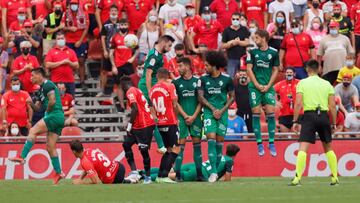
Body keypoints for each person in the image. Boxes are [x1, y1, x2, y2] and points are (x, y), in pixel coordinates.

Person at [9, 68, 65, 185]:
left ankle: (22, 156)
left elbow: (52, 101)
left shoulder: (48, 84)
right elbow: (38, 108)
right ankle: (59, 173)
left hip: (54, 115)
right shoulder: (40, 91)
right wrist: (30, 103)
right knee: (50, 147)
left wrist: (48, 112)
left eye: (33, 75)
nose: (31, 78)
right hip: (58, 118)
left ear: (40, 75)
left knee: (33, 131)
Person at [290, 59, 339, 186]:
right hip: (323, 116)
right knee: (328, 147)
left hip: (309, 116)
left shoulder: (302, 83)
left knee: (303, 147)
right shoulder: (327, 84)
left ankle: (297, 178)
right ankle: (334, 177)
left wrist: (295, 120)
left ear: (307, 69)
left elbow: (298, 103)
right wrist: (333, 123)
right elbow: (332, 106)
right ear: (319, 69)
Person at [198, 51, 235, 182]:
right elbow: (200, 97)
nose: (205, 67)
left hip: (223, 113)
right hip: (209, 113)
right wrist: (214, 109)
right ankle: (213, 172)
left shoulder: (227, 79)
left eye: (207, 65)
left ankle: (216, 171)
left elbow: (232, 97)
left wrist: (222, 110)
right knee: (211, 138)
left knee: (219, 143)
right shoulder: (203, 79)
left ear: (214, 66)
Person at [247, 29, 279, 157]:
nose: (255, 40)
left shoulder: (274, 52)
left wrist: (269, 85)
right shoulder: (252, 52)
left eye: (257, 38)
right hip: (255, 87)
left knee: (271, 112)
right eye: (254, 38)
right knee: (256, 111)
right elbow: (249, 69)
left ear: (264, 38)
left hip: (268, 86)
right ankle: (259, 143)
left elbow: (276, 70)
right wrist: (257, 85)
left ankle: (271, 142)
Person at [118, 76, 156, 184]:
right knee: (126, 144)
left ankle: (148, 177)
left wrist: (129, 125)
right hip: (139, 125)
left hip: (145, 125)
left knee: (143, 151)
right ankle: (134, 172)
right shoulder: (136, 90)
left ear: (123, 85)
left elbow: (135, 108)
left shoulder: (130, 91)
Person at [172, 57, 204, 182]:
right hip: (182, 119)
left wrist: (194, 116)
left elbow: (201, 101)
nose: (178, 69)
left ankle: (200, 174)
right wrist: (185, 116)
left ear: (187, 66)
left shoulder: (198, 81)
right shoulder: (175, 83)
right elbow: (175, 102)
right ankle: (178, 175)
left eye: (180, 66)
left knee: (197, 145)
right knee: (180, 146)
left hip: (196, 118)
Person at [143, 143, 240, 182]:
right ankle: (143, 177)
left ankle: (142, 172)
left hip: (196, 165)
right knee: (168, 176)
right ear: (235, 154)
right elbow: (227, 179)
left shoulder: (219, 156)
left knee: (168, 169)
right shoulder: (230, 161)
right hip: (202, 172)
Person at [150, 68, 180, 184]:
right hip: (170, 121)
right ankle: (164, 175)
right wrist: (176, 118)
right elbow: (175, 104)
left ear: (157, 76)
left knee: (168, 149)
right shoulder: (170, 86)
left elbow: (151, 106)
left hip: (160, 123)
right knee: (176, 149)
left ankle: (160, 175)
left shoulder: (152, 89)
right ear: (167, 76)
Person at [69, 140, 137, 184]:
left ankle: (129, 179)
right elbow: (88, 168)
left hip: (113, 178)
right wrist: (80, 178)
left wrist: (81, 182)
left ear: (74, 151)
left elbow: (96, 182)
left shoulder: (85, 161)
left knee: (105, 181)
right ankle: (131, 180)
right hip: (119, 167)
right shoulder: (88, 150)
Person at [109, 18, 137, 112]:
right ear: (119, 26)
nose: (123, 27)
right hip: (118, 64)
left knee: (131, 85)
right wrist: (113, 66)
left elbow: (137, 49)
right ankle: (121, 106)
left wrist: (133, 58)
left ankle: (129, 105)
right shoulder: (115, 37)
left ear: (128, 26)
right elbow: (111, 53)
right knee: (119, 85)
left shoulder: (132, 37)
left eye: (125, 25)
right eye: (122, 25)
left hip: (128, 64)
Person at [62, 0, 89, 90]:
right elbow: (62, 26)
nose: (74, 6)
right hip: (69, 40)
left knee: (81, 60)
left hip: (81, 40)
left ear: (78, 4)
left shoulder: (84, 13)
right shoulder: (65, 14)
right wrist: (69, 28)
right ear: (70, 5)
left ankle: (82, 81)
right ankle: (69, 81)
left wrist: (80, 41)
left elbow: (86, 28)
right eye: (72, 4)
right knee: (69, 62)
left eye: (75, 4)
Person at [317, 20, 354, 85]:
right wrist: (319, 66)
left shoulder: (345, 38)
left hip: (343, 69)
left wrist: (351, 65)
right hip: (328, 69)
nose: (332, 29)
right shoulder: (324, 39)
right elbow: (319, 55)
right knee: (328, 86)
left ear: (338, 27)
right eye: (331, 27)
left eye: (334, 27)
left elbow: (350, 53)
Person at [44, 31, 79, 96]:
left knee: (70, 101)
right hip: (56, 81)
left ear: (65, 39)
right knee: (57, 103)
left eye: (62, 38)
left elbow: (77, 65)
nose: (60, 40)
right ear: (56, 40)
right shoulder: (51, 51)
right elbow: (47, 64)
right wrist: (61, 62)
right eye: (58, 39)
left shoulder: (71, 51)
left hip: (69, 82)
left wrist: (69, 62)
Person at [98, 5, 121, 96]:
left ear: (118, 12)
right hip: (108, 50)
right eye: (112, 10)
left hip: (118, 52)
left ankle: (116, 91)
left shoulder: (121, 24)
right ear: (109, 12)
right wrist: (104, 50)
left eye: (115, 10)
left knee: (117, 71)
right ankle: (102, 90)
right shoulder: (105, 24)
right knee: (104, 71)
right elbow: (103, 38)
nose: (114, 12)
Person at [221, 12, 250, 78]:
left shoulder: (244, 29)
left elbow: (247, 43)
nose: (235, 21)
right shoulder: (226, 30)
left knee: (243, 78)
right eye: (233, 19)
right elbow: (223, 45)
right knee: (230, 78)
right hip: (231, 58)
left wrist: (238, 42)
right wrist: (232, 43)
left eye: (237, 19)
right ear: (231, 19)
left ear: (240, 20)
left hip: (242, 58)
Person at [274, 68, 300, 133]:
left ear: (294, 74)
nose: (289, 74)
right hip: (284, 114)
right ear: (285, 74)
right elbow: (270, 91)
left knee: (298, 137)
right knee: (284, 136)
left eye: (291, 72)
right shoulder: (280, 84)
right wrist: (275, 101)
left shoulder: (300, 83)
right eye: (287, 72)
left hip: (298, 114)